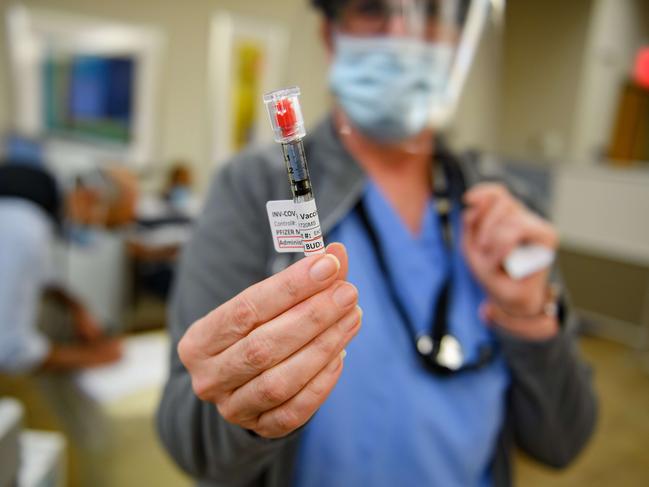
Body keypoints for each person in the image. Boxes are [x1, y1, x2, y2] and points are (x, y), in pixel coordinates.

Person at [157, 1, 597, 485]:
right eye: (373, 9)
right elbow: (187, 440)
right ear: (330, 35)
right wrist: (250, 406)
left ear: (460, 40)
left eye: (430, 11)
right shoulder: (252, 190)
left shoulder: (509, 213)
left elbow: (563, 442)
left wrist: (529, 318)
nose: (402, 35)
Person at [0, 164, 122, 374]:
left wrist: (76, 308)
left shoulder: (28, 210)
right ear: (90, 197)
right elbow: (9, 349)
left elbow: (44, 274)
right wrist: (92, 357)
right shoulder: (25, 229)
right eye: (105, 222)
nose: (96, 228)